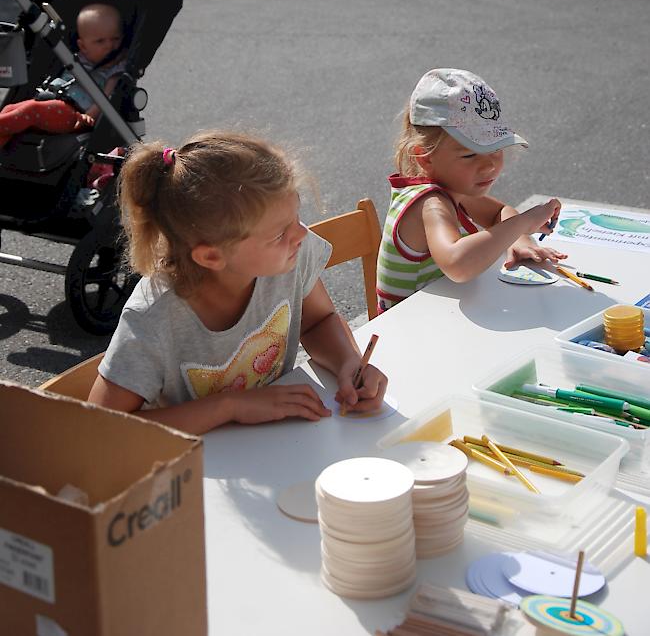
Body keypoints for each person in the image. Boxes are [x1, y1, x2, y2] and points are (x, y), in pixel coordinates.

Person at [88, 131, 388, 435]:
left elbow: (318, 322)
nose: (301, 234)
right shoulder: (153, 320)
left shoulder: (290, 255)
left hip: (281, 445)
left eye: (297, 215)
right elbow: (103, 431)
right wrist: (230, 407)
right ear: (211, 256)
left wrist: (347, 362)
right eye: (279, 234)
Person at [376, 68, 567, 313]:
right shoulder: (430, 204)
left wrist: (519, 239)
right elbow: (458, 265)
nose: (489, 165)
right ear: (424, 158)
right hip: (408, 338)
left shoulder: (452, 187)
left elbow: (498, 212)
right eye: (469, 154)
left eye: (496, 149)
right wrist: (523, 223)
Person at [0, 2, 125, 148]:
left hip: (75, 113)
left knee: (30, 110)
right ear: (83, 46)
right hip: (54, 99)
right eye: (100, 41)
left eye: (115, 39)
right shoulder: (78, 57)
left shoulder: (114, 71)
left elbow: (105, 99)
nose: (109, 45)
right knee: (10, 109)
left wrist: (89, 116)